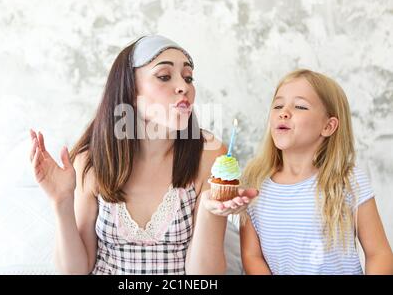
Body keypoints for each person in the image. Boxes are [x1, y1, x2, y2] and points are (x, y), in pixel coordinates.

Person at [29, 35, 258, 274]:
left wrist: (212, 212)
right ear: (130, 89)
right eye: (164, 76)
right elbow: (74, 271)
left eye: (188, 77)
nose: (184, 87)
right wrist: (62, 202)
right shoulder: (91, 161)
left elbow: (203, 276)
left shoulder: (209, 155)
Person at [240, 69, 393, 275]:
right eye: (278, 105)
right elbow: (252, 256)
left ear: (328, 126)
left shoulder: (347, 180)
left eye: (300, 106)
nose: (283, 112)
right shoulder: (254, 183)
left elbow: (378, 253)